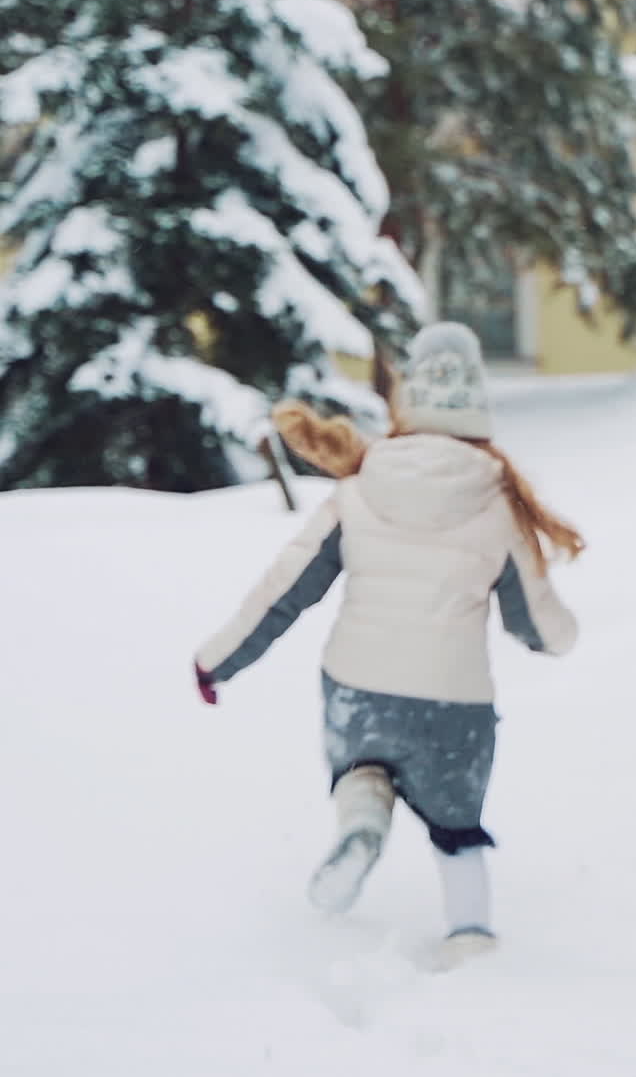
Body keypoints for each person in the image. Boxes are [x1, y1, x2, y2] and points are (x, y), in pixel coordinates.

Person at [194, 322, 582, 966]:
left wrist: (217, 661)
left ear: (407, 402)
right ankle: (469, 933)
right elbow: (538, 628)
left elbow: (285, 591)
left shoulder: (359, 486)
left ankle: (362, 825)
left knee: (359, 767)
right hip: (454, 706)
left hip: (359, 687)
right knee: (456, 825)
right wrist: (562, 637)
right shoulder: (495, 501)